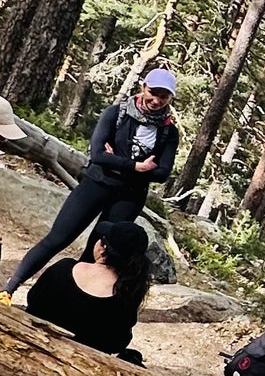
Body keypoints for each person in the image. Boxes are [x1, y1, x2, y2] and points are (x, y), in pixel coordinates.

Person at [2, 68, 179, 299]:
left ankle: (67, 304)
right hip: (96, 184)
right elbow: (97, 155)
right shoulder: (116, 113)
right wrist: (137, 167)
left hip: (129, 197)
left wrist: (115, 160)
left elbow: (162, 173)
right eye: (153, 92)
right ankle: (10, 288)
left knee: (100, 253)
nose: (156, 100)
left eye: (163, 96)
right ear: (143, 87)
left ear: (170, 99)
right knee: (58, 238)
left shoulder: (168, 131)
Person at [23, 219, 151, 358]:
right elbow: (117, 343)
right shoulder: (126, 293)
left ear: (103, 248)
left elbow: (33, 300)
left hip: (33, 347)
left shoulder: (63, 268)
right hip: (82, 364)